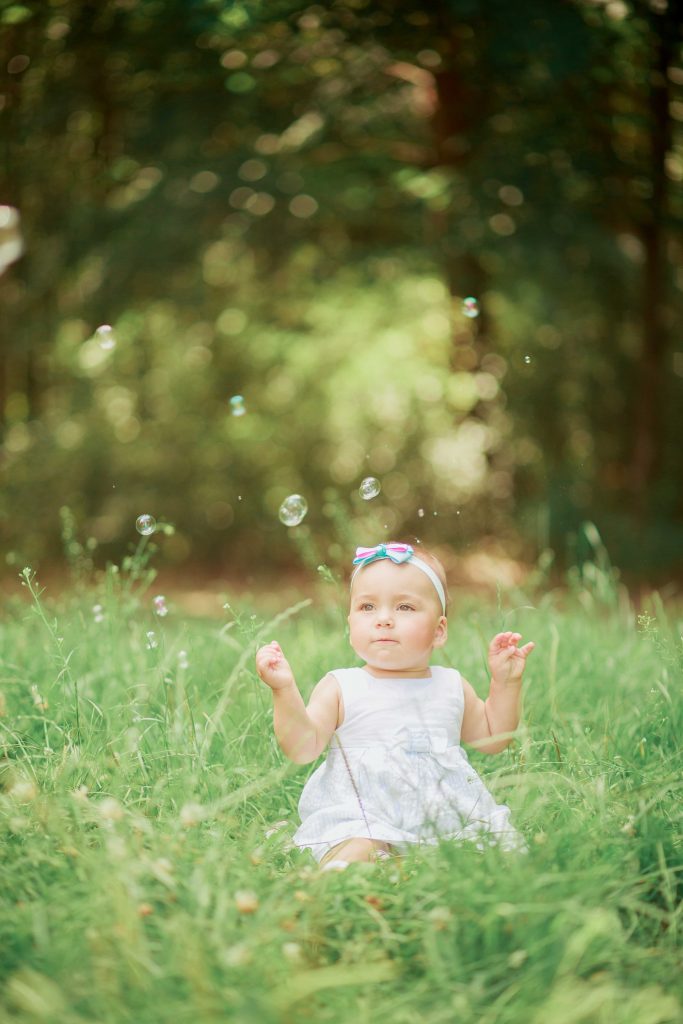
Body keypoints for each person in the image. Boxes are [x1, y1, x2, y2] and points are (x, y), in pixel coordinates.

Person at [255, 541, 535, 871]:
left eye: (404, 608)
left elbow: (494, 737)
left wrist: (505, 684)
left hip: (444, 819)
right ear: (350, 626)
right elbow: (302, 748)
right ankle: (356, 869)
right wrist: (284, 690)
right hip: (364, 817)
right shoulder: (341, 686)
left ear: (439, 631)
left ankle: (413, 865)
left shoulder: (451, 686)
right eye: (367, 607)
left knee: (492, 853)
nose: (384, 619)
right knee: (358, 848)